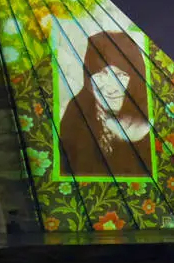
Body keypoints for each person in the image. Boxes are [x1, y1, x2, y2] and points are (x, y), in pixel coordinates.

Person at [58, 31, 152, 177]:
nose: (111, 87)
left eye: (121, 75)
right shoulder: (76, 112)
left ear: (135, 79)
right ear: (88, 76)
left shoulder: (147, 119)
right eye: (101, 74)